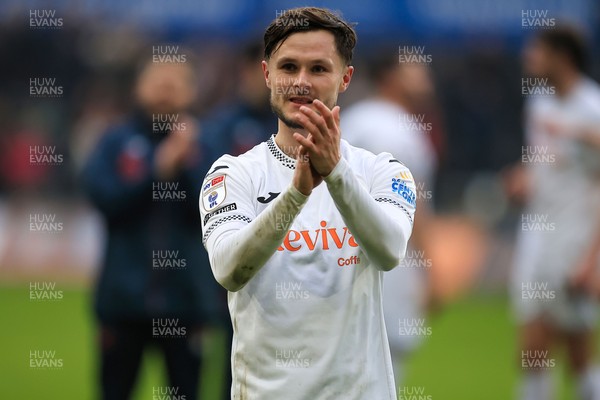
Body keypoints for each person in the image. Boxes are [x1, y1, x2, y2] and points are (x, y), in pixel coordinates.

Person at [199, 7, 416, 400]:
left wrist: (335, 172)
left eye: (318, 68)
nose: (301, 82)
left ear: (345, 78)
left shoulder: (384, 172)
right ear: (267, 74)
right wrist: (295, 195)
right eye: (288, 67)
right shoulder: (232, 174)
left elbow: (389, 250)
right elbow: (229, 269)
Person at [83, 59, 226, 400]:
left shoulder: (207, 144)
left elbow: (216, 214)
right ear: (138, 87)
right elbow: (105, 200)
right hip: (122, 301)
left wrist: (185, 162)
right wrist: (157, 169)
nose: (165, 91)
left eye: (174, 84)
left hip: (187, 302)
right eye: (157, 82)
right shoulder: (115, 141)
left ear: (191, 92)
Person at [510, 26, 600, 400]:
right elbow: (545, 165)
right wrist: (523, 177)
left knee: (578, 350)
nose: (528, 58)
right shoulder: (540, 103)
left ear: (560, 57)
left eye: (537, 51)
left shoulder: (591, 107)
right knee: (531, 344)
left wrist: (593, 261)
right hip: (536, 234)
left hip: (577, 237)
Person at [341, 58, 440, 385]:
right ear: (391, 77)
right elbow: (413, 204)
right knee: (388, 353)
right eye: (415, 70)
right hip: (387, 253)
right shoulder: (396, 128)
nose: (425, 76)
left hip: (337, 249)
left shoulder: (355, 117)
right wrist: (432, 270)